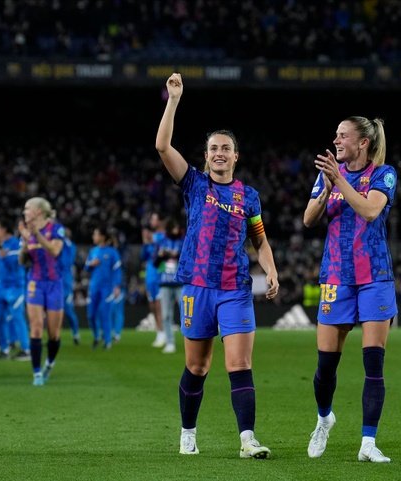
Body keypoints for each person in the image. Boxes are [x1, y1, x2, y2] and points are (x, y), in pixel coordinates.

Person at [156, 73, 279, 458]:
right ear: (206, 155)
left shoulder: (249, 196)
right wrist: (173, 100)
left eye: (226, 148)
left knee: (239, 363)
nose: (220, 153)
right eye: (213, 148)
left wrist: (270, 268)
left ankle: (247, 439)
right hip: (197, 286)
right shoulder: (194, 184)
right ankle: (188, 432)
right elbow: (162, 146)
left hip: (235, 288)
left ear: (236, 156)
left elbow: (259, 239)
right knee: (198, 367)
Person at [303, 116, 397, 463]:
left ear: (363, 143)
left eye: (343, 135)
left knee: (374, 361)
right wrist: (328, 185)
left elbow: (371, 210)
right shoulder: (327, 175)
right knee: (326, 365)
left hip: (374, 276)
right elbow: (308, 219)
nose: (336, 140)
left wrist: (339, 179)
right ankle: (324, 418)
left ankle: (368, 443)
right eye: (336, 134)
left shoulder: (383, 174)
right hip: (336, 276)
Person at [18, 197, 65, 386]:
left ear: (38, 211)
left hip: (54, 283)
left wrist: (36, 235)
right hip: (35, 282)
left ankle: (50, 363)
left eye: (27, 208)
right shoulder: (26, 232)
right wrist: (23, 245)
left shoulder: (56, 229)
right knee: (36, 327)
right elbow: (22, 261)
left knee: (53, 334)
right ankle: (36, 372)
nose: (24, 212)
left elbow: (54, 251)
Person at [0, 215, 30, 361]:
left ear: (4, 229)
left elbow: (17, 264)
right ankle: (4, 349)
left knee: (18, 317)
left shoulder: (16, 244)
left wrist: (5, 256)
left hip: (15, 286)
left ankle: (26, 349)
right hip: (0, 286)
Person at [83, 226, 122, 350]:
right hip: (94, 287)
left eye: (95, 234)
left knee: (105, 314)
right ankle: (96, 336)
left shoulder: (112, 252)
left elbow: (117, 270)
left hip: (107, 288)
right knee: (91, 315)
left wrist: (116, 286)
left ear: (102, 237)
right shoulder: (93, 251)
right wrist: (90, 264)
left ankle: (107, 341)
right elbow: (86, 268)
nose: (93, 237)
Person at [154, 217, 184, 354]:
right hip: (165, 282)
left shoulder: (182, 242)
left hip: (180, 282)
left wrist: (176, 255)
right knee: (166, 314)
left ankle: (190, 341)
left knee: (186, 314)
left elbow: (189, 259)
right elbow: (154, 263)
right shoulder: (162, 242)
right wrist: (161, 256)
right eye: (174, 228)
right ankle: (170, 342)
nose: (176, 230)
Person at [141, 213, 165, 348]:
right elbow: (143, 256)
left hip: (160, 272)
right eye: (151, 219)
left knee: (159, 303)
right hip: (150, 273)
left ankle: (164, 332)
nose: (152, 221)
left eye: (155, 218)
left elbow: (162, 245)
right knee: (152, 303)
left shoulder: (162, 236)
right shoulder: (150, 239)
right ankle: (159, 331)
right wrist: (145, 243)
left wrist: (150, 239)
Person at [59, 227, 81, 345]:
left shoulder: (69, 246)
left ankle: (76, 333)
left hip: (65, 283)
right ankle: (55, 336)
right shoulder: (59, 243)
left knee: (68, 310)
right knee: (54, 310)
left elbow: (66, 262)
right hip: (56, 280)